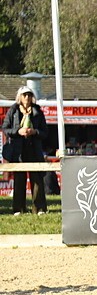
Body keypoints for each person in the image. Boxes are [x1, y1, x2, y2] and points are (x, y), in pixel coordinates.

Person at [2, 86, 49, 215]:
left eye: (29, 95)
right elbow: (5, 128)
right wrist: (18, 131)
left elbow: (45, 132)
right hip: (18, 151)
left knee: (37, 180)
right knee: (19, 179)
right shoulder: (13, 111)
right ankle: (19, 209)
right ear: (20, 97)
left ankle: (39, 208)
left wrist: (34, 132)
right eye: (24, 95)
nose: (27, 98)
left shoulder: (38, 111)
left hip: (34, 149)